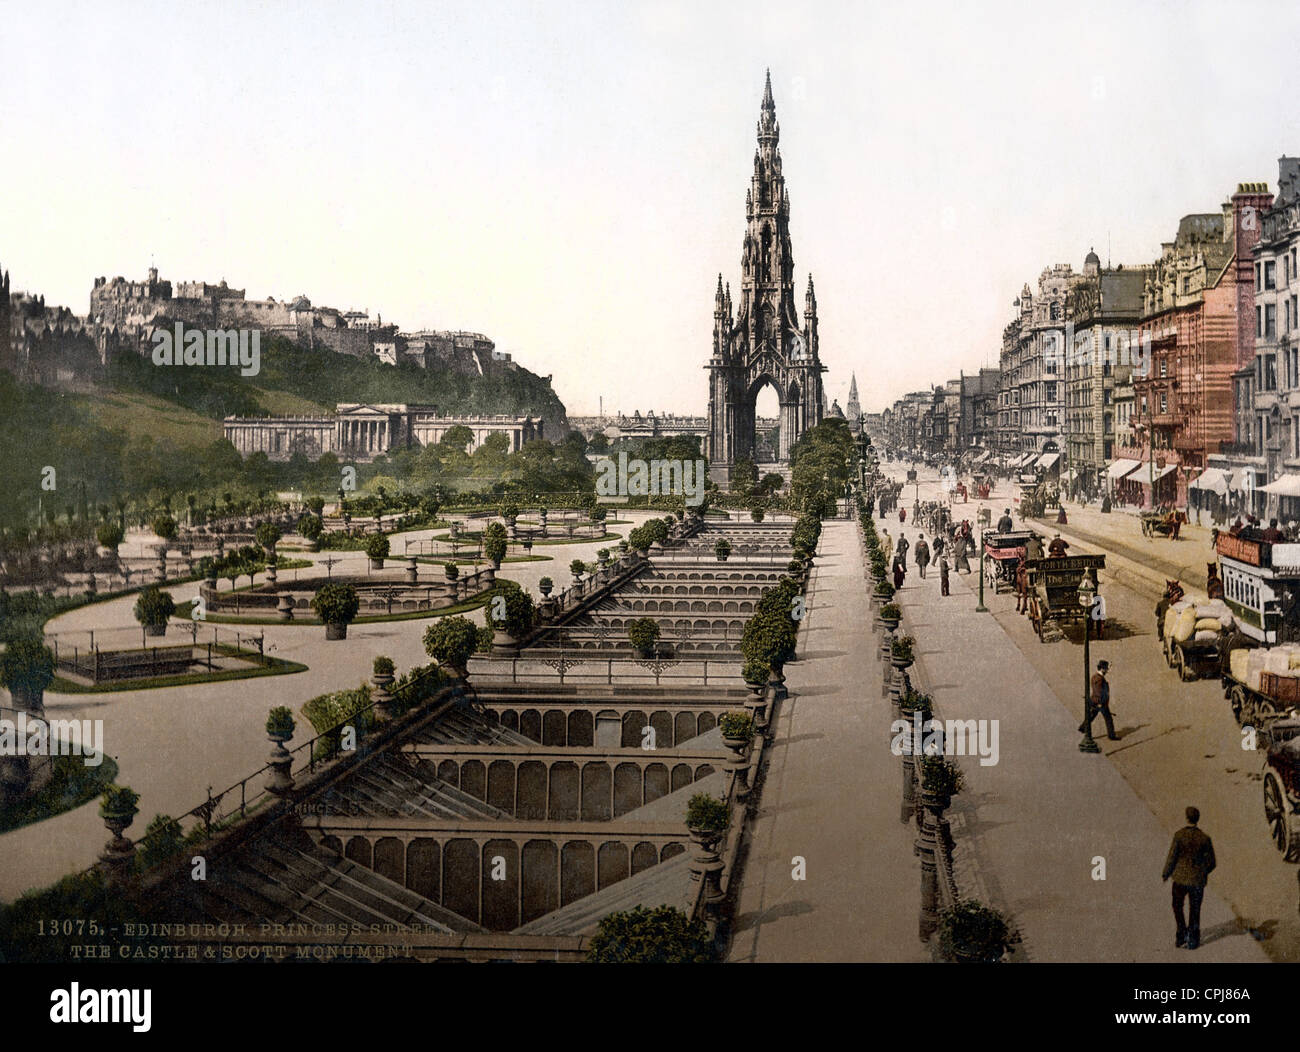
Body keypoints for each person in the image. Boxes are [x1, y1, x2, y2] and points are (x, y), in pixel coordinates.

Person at [1162, 806, 1217, 950]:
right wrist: (1202, 872)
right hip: (1197, 881)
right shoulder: (1205, 838)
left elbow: (1172, 858)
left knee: (1177, 906)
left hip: (1180, 879)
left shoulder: (1179, 836)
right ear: (1197, 819)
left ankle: (1181, 934)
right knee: (1195, 910)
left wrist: (1166, 873)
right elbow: (1212, 862)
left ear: (1187, 818)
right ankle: (1193, 940)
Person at [1079, 659, 1118, 741]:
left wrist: (1109, 666)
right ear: (1102, 669)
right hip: (1100, 702)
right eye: (1106, 669)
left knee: (1091, 716)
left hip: (1095, 701)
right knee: (1108, 719)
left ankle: (1082, 728)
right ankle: (1111, 736)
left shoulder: (1096, 676)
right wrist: (1100, 703)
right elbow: (1098, 691)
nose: (1107, 670)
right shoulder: (1099, 679)